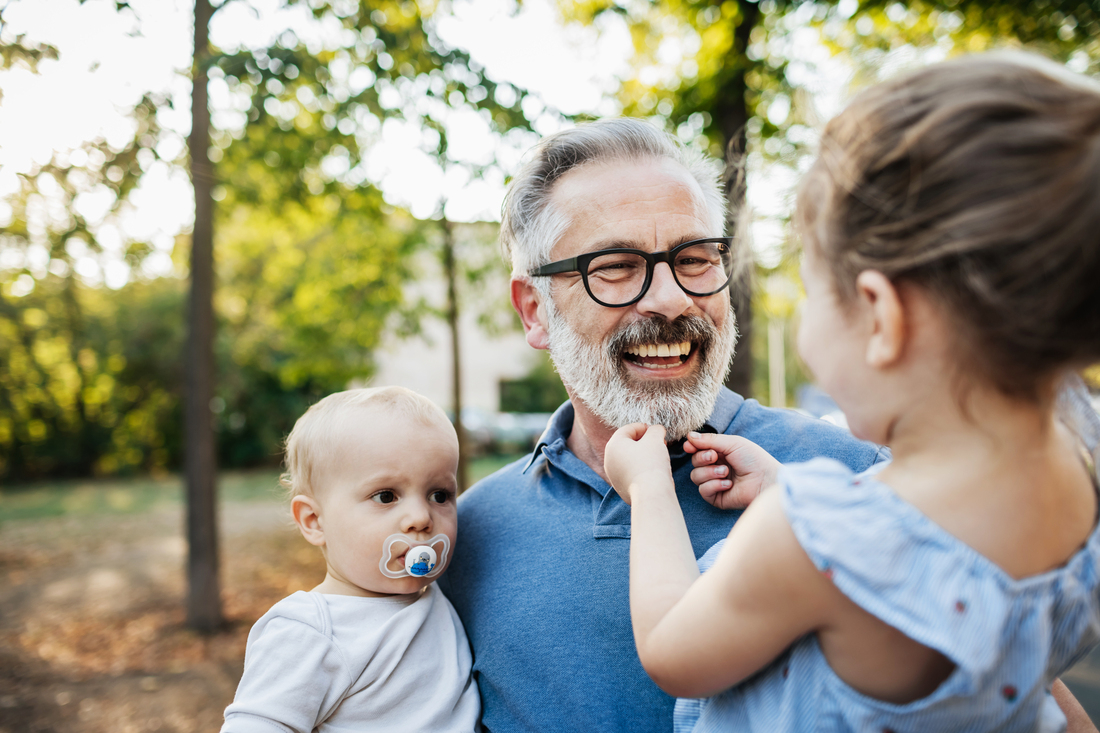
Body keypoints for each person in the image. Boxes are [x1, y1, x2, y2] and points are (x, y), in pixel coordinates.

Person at [603, 54, 1100, 732]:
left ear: (880, 317)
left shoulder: (808, 539)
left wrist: (651, 492)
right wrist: (786, 487)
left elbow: (671, 650)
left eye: (809, 291)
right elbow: (920, 550)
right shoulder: (1077, 462)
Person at [438, 118, 892, 733]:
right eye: (617, 266)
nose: (673, 299)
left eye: (694, 258)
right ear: (534, 309)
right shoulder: (466, 538)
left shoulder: (857, 481)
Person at [220, 387, 480, 733]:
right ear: (314, 521)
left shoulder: (440, 599)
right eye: (386, 496)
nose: (421, 517)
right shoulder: (310, 632)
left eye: (439, 495)